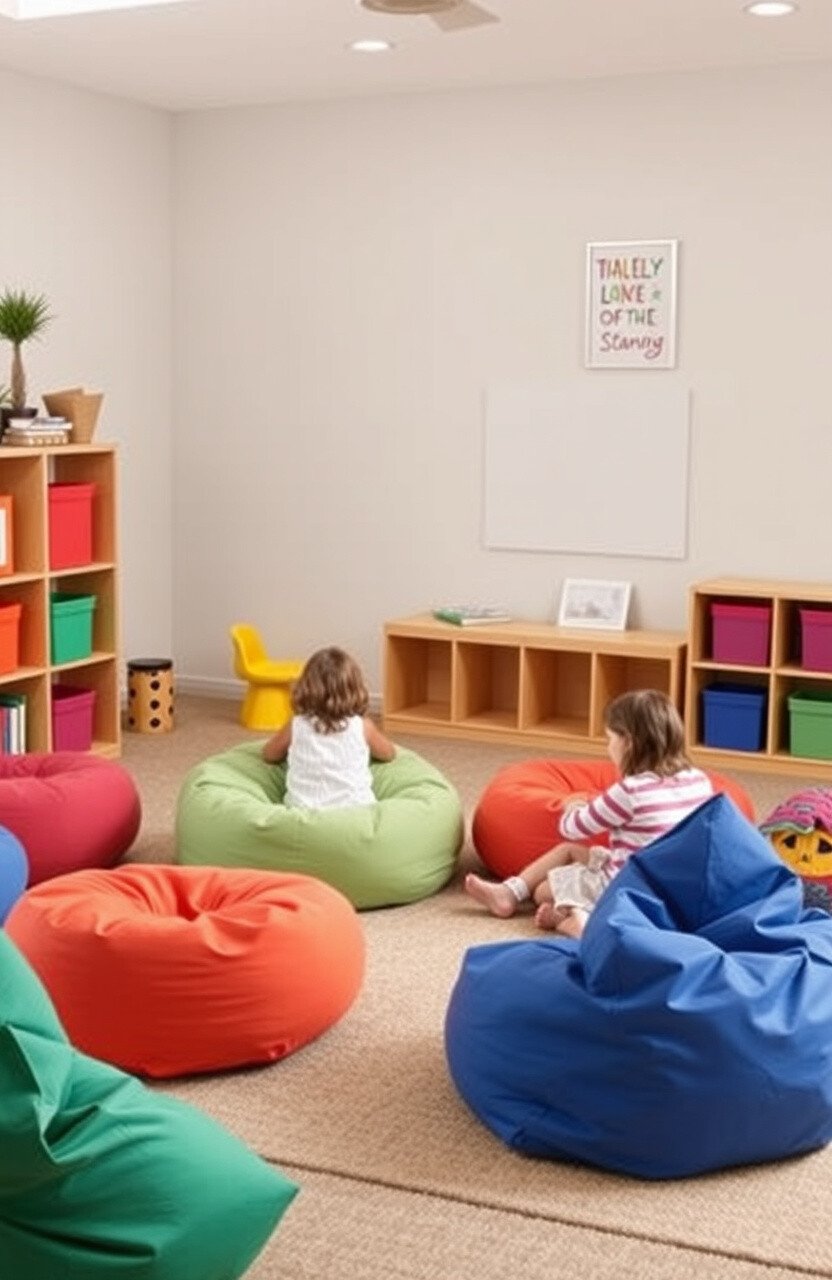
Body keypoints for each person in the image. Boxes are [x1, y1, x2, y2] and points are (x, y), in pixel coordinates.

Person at [464, 689, 713, 938]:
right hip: (671, 888)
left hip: (626, 887)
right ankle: (511, 893)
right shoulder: (700, 781)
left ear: (628, 743)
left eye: (610, 739)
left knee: (543, 891)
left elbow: (572, 827)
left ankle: (576, 920)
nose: (608, 747)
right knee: (570, 851)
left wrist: (572, 805)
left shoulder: (630, 791)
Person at [262, 646, 396, 810]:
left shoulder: (297, 724)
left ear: (306, 687)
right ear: (354, 688)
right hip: (355, 810)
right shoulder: (362, 726)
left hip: (303, 809)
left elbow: (269, 755)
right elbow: (388, 754)